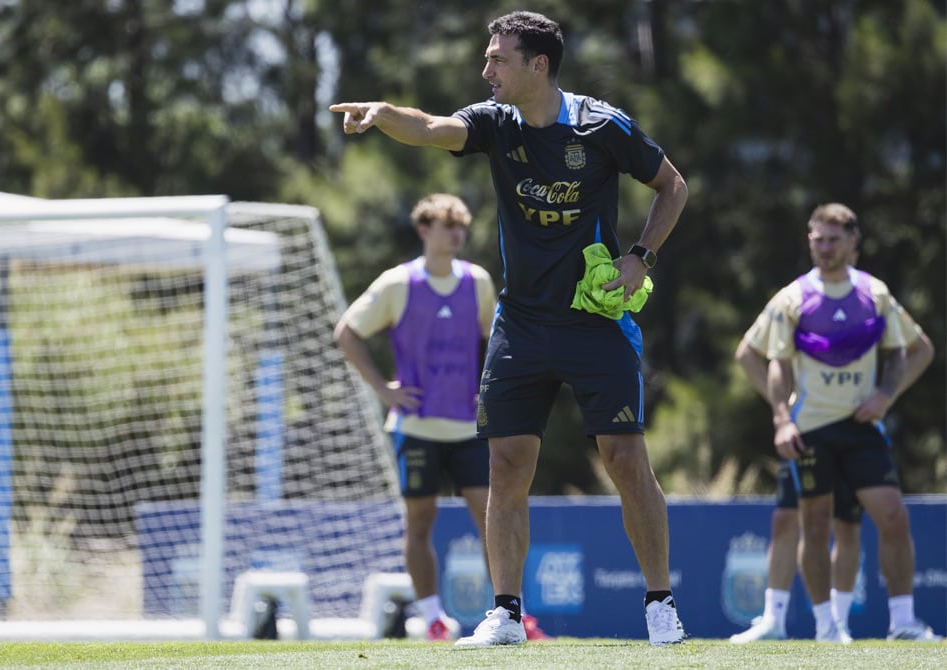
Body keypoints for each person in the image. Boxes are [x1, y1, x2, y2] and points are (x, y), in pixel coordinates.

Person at [330, 11, 688, 646]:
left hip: (595, 323)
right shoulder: (495, 122)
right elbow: (435, 128)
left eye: (498, 58)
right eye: (488, 56)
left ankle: (660, 605)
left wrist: (642, 257)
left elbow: (672, 186)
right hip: (520, 324)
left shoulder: (603, 125)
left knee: (626, 459)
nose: (486, 68)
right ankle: (505, 613)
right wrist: (383, 112)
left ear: (537, 66)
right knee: (507, 462)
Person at [334, 193, 551, 642]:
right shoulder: (398, 283)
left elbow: (499, 342)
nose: (456, 233)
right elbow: (347, 332)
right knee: (420, 522)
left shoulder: (478, 282)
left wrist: (490, 390)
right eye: (446, 224)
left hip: (469, 428)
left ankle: (514, 615)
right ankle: (434, 618)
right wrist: (381, 388)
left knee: (492, 515)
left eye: (461, 225)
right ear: (423, 230)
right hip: (414, 428)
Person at [759, 202, 940, 642]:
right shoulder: (793, 297)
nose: (824, 248)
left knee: (893, 517)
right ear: (809, 241)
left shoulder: (874, 294)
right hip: (812, 429)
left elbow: (912, 351)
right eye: (817, 239)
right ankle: (826, 625)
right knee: (815, 525)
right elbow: (777, 363)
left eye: (833, 239)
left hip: (861, 430)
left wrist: (885, 396)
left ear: (853, 244)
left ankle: (903, 622)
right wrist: (783, 418)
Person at [732, 338, 865, 643]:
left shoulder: (861, 297)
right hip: (804, 431)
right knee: (786, 519)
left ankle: (838, 623)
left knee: (846, 523)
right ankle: (774, 620)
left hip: (851, 430)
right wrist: (781, 405)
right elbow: (746, 353)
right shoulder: (792, 305)